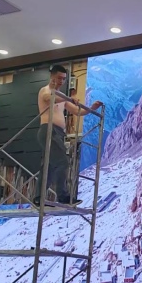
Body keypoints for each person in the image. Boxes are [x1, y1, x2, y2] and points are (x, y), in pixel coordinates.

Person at [34, 65, 102, 207]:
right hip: (48, 130)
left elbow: (78, 112)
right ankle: (63, 196)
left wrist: (91, 108)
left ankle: (39, 198)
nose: (61, 81)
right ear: (52, 76)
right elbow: (49, 98)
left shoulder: (62, 97)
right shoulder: (45, 91)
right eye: (59, 78)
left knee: (49, 166)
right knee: (62, 162)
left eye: (64, 79)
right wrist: (68, 99)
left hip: (58, 132)